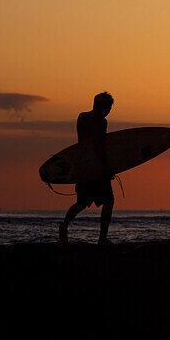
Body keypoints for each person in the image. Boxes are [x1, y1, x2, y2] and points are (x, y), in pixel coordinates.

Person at [59, 92, 115, 245]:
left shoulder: (82, 117)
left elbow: (83, 142)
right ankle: (102, 239)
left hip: (82, 165)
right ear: (103, 106)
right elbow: (98, 146)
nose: (109, 110)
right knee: (109, 201)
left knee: (82, 202)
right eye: (109, 107)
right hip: (96, 168)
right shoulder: (101, 122)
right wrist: (107, 167)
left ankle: (63, 226)